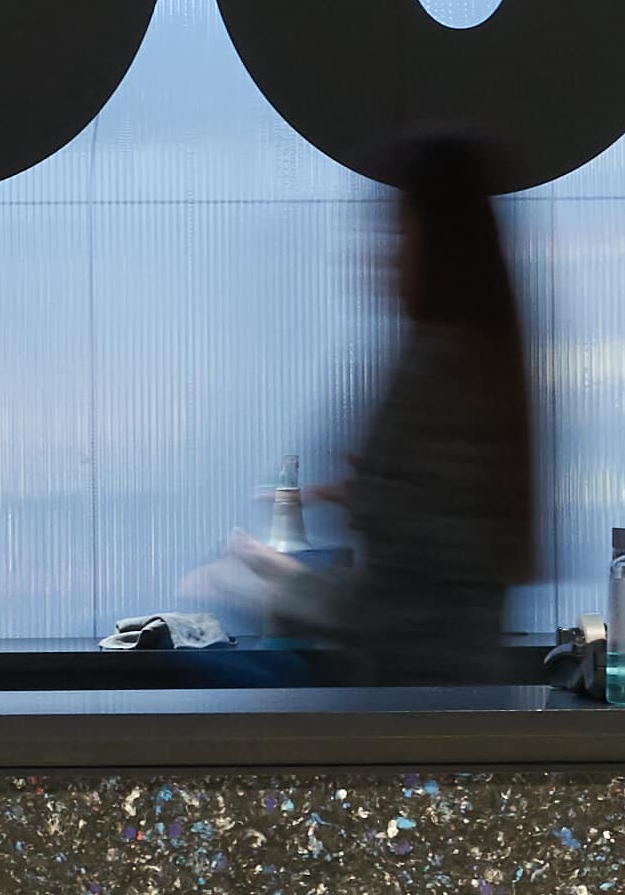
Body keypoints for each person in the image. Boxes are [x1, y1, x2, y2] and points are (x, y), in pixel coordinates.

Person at [211, 130, 546, 684]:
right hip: (449, 688)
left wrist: (257, 581)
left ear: (440, 245)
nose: (380, 259)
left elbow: (407, 610)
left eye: (398, 233)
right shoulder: (481, 363)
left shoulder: (440, 369)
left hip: (417, 694)